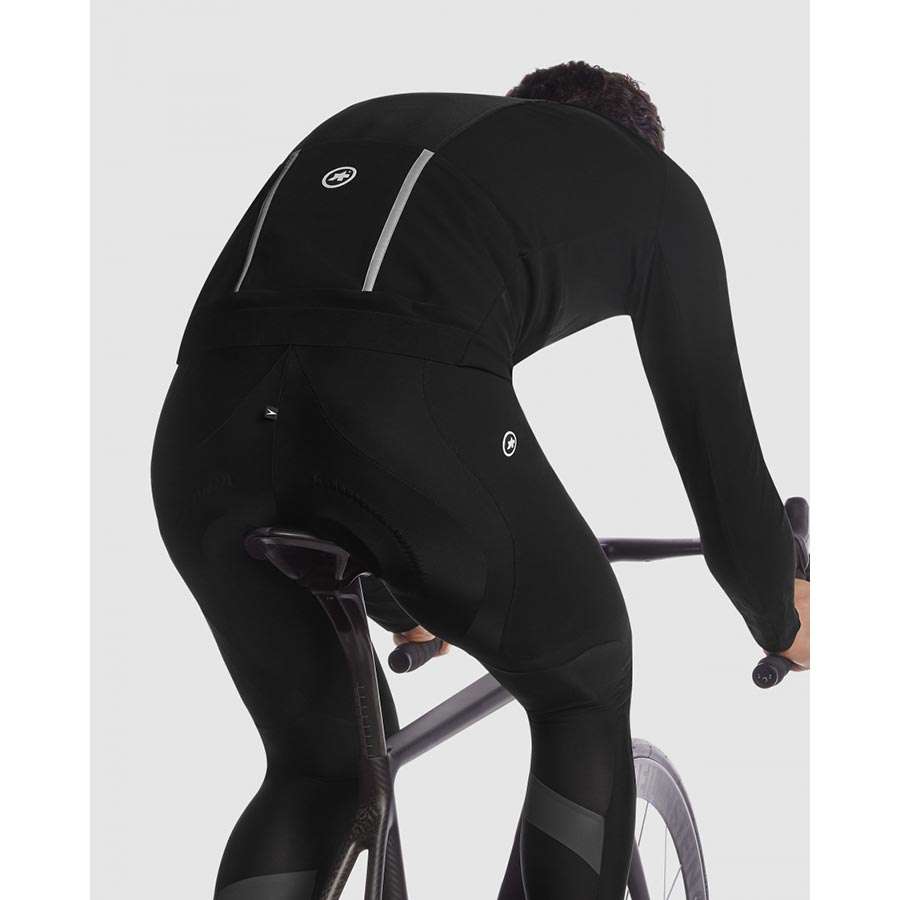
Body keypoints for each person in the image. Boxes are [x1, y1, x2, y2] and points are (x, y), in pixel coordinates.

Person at [151, 61, 810, 900]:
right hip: (398, 420)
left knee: (318, 767)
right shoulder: (657, 188)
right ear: (633, 145)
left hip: (202, 436)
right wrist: (778, 608)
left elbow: (321, 355)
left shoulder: (383, 119)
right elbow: (715, 439)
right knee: (584, 679)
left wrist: (403, 600)